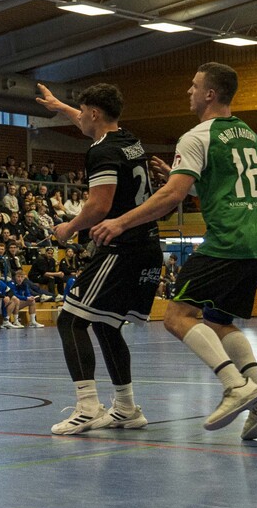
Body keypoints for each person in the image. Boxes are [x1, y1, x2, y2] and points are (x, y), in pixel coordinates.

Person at [90, 62, 257, 438]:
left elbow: (170, 197)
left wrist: (120, 222)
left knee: (177, 316)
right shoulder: (247, 134)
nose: (189, 91)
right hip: (255, 240)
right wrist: (183, 176)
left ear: (210, 94)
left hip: (227, 240)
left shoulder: (197, 136)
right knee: (218, 320)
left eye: (194, 86)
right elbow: (224, 184)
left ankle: (235, 386)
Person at [35, 82, 163, 436]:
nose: (80, 117)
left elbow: (99, 206)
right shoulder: (129, 140)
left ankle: (88, 406)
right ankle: (126, 408)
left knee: (69, 321)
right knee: (106, 324)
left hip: (122, 247)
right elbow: (85, 121)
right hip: (146, 246)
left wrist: (69, 227)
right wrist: (60, 107)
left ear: (94, 113)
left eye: (82, 111)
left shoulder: (102, 151)